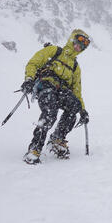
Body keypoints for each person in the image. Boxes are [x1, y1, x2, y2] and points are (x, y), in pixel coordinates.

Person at [20, 29, 91, 164]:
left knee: (74, 105)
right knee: (50, 113)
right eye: (77, 43)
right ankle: (34, 149)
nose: (78, 47)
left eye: (82, 46)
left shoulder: (75, 67)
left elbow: (77, 91)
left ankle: (57, 139)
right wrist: (29, 79)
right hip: (46, 87)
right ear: (72, 40)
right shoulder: (54, 51)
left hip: (62, 92)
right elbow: (33, 63)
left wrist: (82, 109)